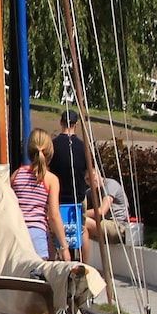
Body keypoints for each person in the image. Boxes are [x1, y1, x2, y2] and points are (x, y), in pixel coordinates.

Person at [12, 129, 69, 260]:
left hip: (15, 234)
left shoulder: (16, 175)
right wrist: (64, 247)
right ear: (50, 152)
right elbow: (54, 216)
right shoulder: (51, 180)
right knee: (38, 276)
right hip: (36, 235)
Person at [50, 108, 99, 260]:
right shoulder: (83, 147)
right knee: (81, 229)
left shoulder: (53, 145)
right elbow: (89, 173)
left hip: (58, 196)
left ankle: (60, 261)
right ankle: (85, 264)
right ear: (76, 124)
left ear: (61, 123)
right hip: (78, 196)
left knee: (56, 230)